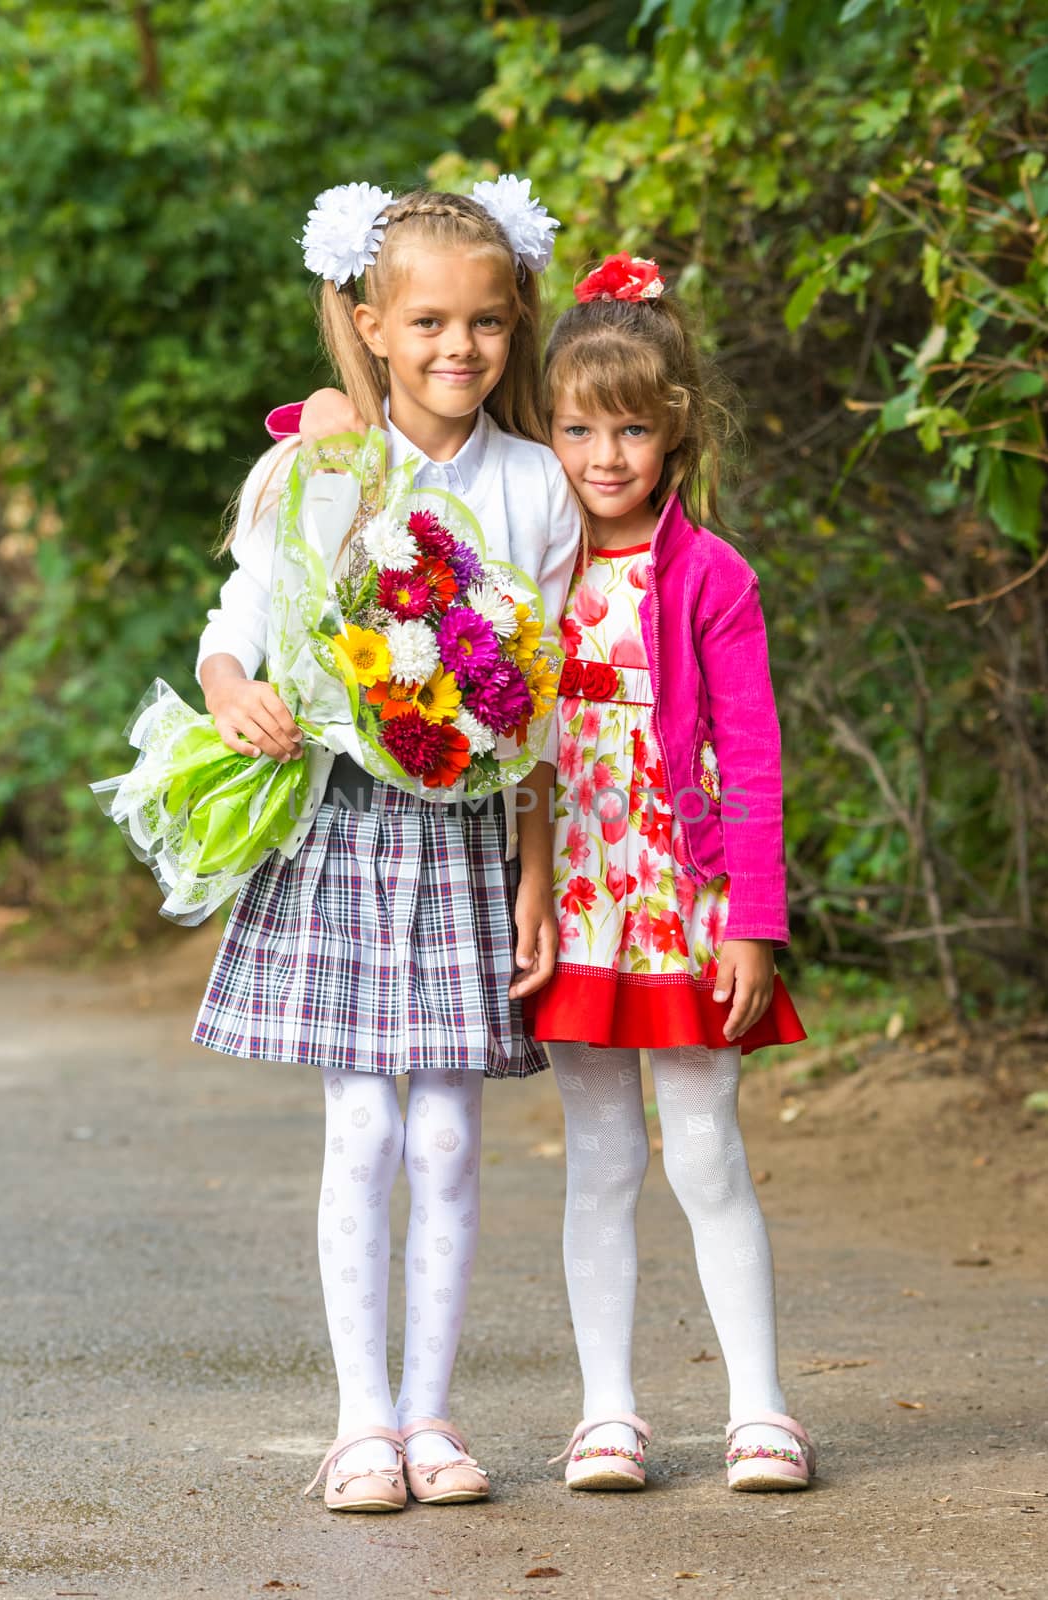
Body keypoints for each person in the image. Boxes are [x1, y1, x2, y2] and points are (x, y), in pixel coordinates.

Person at [194, 178, 582, 1512]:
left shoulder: (535, 483)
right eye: (423, 323)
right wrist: (228, 684)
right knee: (362, 1132)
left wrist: (536, 875)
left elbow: (540, 701)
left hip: (474, 834)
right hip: (347, 825)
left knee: (452, 1143)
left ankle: (433, 1417)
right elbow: (238, 613)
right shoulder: (322, 467)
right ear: (367, 324)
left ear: (513, 318)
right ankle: (360, 1422)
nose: (454, 350)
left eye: (480, 322)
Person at [527, 252, 814, 1494]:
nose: (603, 455)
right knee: (599, 1158)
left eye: (629, 428)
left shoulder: (711, 574)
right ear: (545, 431)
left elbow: (749, 757)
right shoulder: (524, 568)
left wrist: (752, 920)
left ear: (673, 428)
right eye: (578, 428)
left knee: (702, 1150)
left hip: (681, 905)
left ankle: (759, 1409)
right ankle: (607, 1412)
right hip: (578, 900)